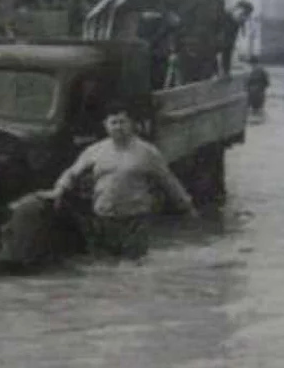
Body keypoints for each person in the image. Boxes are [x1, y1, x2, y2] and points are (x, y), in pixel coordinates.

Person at [39, 101, 197, 259]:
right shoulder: (95, 151)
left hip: (135, 221)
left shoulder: (148, 152)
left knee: (133, 267)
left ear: (131, 124)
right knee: (104, 266)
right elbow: (72, 173)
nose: (118, 127)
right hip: (104, 218)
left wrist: (186, 205)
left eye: (123, 122)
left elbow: (168, 181)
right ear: (106, 125)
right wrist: (58, 190)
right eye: (113, 122)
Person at [120, 0, 177, 89]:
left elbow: (168, 15)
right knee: (136, 85)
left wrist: (171, 18)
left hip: (159, 48)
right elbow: (120, 16)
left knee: (157, 85)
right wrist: (140, 16)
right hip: (137, 44)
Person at [167, 0, 226, 84]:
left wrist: (219, 54)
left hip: (207, 53)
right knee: (182, 89)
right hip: (184, 51)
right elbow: (170, 28)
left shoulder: (216, 1)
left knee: (204, 88)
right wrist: (172, 51)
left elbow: (220, 29)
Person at [222, 0, 254, 75]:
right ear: (235, 9)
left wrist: (226, 71)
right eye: (242, 14)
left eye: (246, 16)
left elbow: (228, 49)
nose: (243, 18)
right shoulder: (223, 17)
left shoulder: (236, 24)